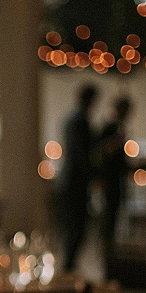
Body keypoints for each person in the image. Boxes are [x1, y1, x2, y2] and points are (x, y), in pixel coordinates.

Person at [55, 83, 99, 272]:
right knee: (76, 229)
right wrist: (95, 176)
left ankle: (69, 267)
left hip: (70, 179)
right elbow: (82, 154)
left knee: (73, 228)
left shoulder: (72, 119)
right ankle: (68, 269)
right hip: (76, 182)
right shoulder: (80, 120)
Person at [97, 95, 133, 267]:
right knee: (108, 220)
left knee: (112, 219)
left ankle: (109, 258)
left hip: (115, 181)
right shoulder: (110, 128)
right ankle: (107, 259)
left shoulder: (116, 127)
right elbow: (103, 153)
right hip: (110, 182)